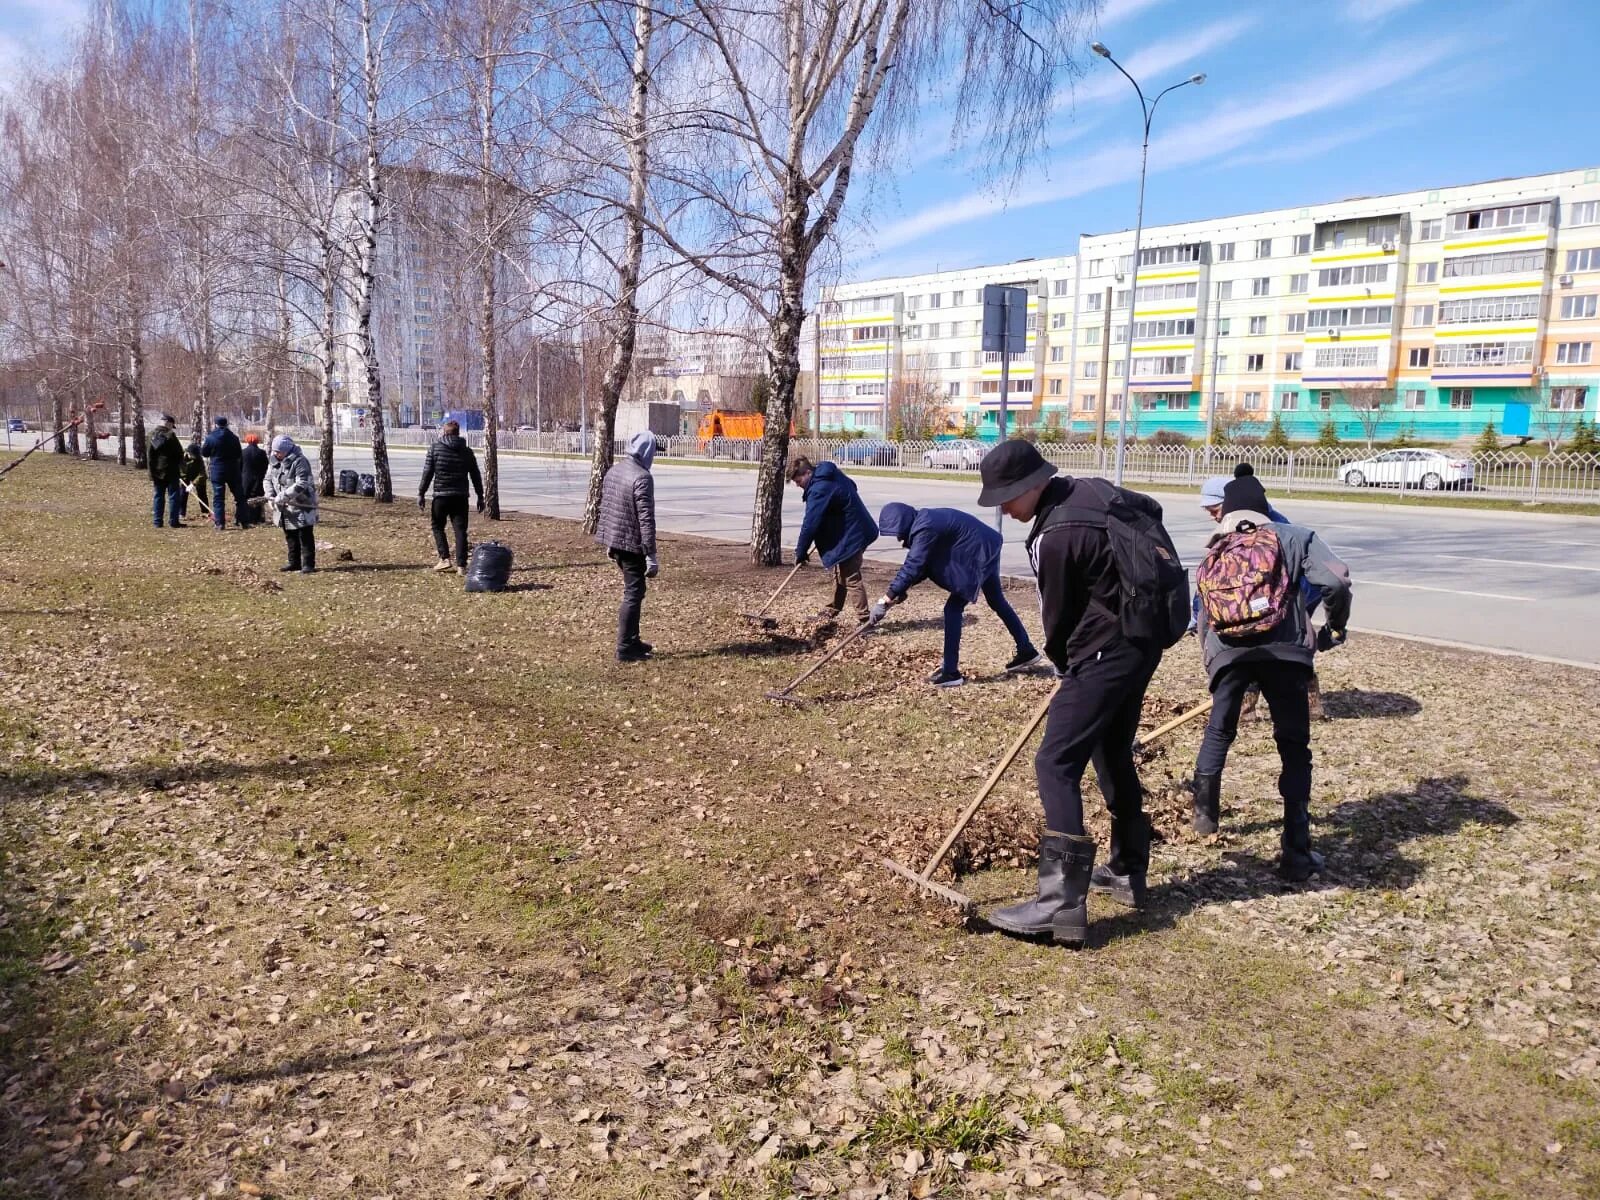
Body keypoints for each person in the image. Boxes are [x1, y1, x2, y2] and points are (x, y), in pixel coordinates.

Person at [975, 439, 1179, 945]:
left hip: (1107, 650)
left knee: (1055, 762)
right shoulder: (1091, 492)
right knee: (1111, 750)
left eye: (1007, 496)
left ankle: (1061, 905)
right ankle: (1128, 871)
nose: (1003, 507)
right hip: (1140, 639)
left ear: (1034, 484)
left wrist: (1069, 665)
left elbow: (1058, 616)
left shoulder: (1058, 533)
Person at [1191, 472, 1351, 880]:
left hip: (1228, 654)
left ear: (1225, 512)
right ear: (1265, 507)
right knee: (1293, 745)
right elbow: (1334, 580)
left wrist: (1213, 660)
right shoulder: (1295, 536)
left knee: (1219, 731)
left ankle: (1204, 821)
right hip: (1285, 654)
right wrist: (1333, 626)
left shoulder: (1217, 546)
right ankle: (1296, 850)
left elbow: (1201, 611)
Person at [1198, 464, 1326, 719]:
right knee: (1253, 637)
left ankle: (1307, 703)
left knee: (1273, 640)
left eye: (1215, 509)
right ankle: (1247, 707)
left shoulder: (1270, 525)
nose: (1213, 516)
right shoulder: (1231, 529)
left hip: (1291, 593)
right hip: (1263, 595)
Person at [871, 502, 1042, 686]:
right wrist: (900, 591)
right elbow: (923, 566)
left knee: (952, 610)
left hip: (980, 554)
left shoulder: (925, 528)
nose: (898, 537)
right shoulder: (924, 522)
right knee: (996, 600)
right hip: (988, 546)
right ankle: (1026, 650)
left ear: (903, 522)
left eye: (896, 531)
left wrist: (886, 598)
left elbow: (914, 565)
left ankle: (951, 672)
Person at [788, 455, 878, 624]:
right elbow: (852, 486)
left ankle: (865, 621)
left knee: (850, 576)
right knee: (840, 572)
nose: (798, 485)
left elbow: (810, 524)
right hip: (852, 529)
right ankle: (832, 609)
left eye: (798, 481)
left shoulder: (819, 489)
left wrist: (800, 552)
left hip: (852, 534)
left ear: (807, 473)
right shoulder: (829, 473)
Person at [596, 432, 659, 662]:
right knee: (634, 593)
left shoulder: (615, 470)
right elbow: (646, 519)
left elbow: (607, 508)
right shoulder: (642, 477)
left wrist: (609, 543)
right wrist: (651, 555)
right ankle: (625, 648)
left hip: (617, 542)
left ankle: (632, 639)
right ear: (646, 452)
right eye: (653, 452)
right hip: (632, 545)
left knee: (635, 591)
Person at [417, 419, 485, 573]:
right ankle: (462, 565)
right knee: (460, 530)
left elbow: (427, 473)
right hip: (460, 497)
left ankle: (444, 558)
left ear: (444, 432)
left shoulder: (435, 448)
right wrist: (480, 496)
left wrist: (421, 493)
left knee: (437, 526)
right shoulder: (467, 451)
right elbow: (475, 475)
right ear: (458, 433)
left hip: (441, 496)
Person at [264, 434, 319, 574]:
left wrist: (283, 496)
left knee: (304, 534)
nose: (276, 454)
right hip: (284, 506)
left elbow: (302, 483)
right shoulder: (274, 461)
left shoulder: (300, 461)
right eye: (274, 451)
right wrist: (270, 495)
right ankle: (293, 562)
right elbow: (267, 479)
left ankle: (308, 564)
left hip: (302, 504)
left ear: (287, 450)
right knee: (290, 533)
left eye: (279, 451)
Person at [200, 416, 245, 530]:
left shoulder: (210, 438)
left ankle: (220, 523)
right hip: (233, 469)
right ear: (227, 424)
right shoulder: (234, 437)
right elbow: (239, 454)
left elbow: (204, 453)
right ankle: (243, 520)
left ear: (216, 424)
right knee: (239, 496)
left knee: (218, 497)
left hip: (217, 469)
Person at [147, 413, 185, 528]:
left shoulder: (150, 435)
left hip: (157, 471)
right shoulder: (170, 436)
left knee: (158, 496)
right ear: (169, 424)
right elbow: (179, 453)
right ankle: (174, 521)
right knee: (173, 496)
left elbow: (149, 455)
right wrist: (183, 469)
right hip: (171, 470)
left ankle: (157, 522)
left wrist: (151, 472)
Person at [239, 433, 270, 529]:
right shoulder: (262, 453)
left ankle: (245, 517)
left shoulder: (243, 452)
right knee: (257, 498)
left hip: (246, 478)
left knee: (245, 498)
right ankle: (257, 518)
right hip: (258, 478)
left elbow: (239, 466)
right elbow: (266, 466)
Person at [178, 439, 207, 521]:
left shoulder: (199, 459)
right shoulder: (180, 456)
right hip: (184, 476)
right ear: (188, 453)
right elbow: (175, 467)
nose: (195, 457)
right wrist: (179, 476)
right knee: (183, 493)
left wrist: (193, 484)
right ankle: (181, 513)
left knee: (202, 492)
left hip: (196, 475)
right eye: (194, 455)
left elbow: (202, 474)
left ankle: (205, 512)